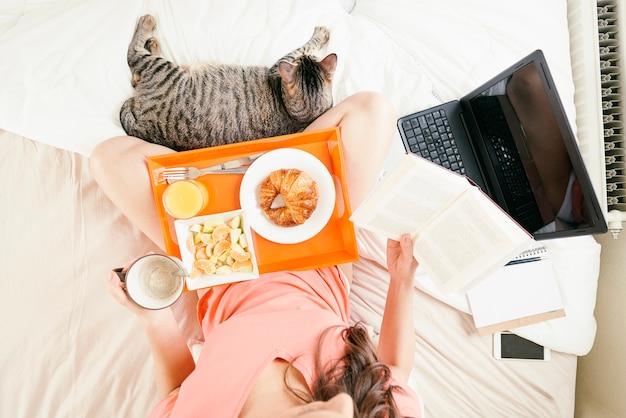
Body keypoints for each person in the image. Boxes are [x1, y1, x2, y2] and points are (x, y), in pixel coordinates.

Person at [90, 92, 422, 417]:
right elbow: (394, 371)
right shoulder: (374, 411)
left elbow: (179, 394)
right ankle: (268, 167)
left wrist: (155, 319)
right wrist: (401, 279)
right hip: (321, 264)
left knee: (110, 161)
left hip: (219, 267)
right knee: (373, 112)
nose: (344, 402)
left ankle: (255, 168)